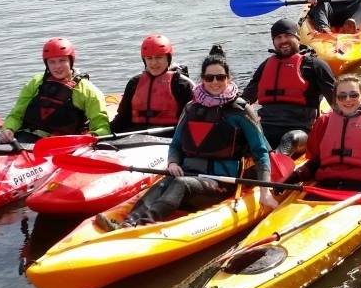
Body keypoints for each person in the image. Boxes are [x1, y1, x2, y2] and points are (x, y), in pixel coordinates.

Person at [97, 45, 273, 230]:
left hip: (220, 183)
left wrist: (265, 191)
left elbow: (261, 152)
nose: (215, 82)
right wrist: (173, 163)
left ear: (228, 79)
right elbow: (176, 144)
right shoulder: (191, 108)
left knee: (181, 183)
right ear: (202, 80)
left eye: (220, 77)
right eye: (209, 77)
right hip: (190, 173)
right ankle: (128, 221)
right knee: (163, 183)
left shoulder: (240, 111)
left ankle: (140, 225)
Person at [242, 18, 336, 156]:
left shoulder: (315, 65)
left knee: (290, 139)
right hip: (266, 127)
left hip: (300, 131)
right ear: (273, 42)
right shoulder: (266, 65)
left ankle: (274, 166)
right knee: (240, 135)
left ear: (298, 38)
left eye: (288, 36)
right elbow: (246, 98)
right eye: (278, 37)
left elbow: (337, 99)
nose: (283, 41)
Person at [0, 37, 111, 143]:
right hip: (27, 139)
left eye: (62, 60)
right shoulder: (36, 83)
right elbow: (16, 114)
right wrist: (8, 129)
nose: (57, 66)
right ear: (46, 64)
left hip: (64, 144)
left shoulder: (88, 90)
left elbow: (102, 128)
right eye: (52, 62)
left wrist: (91, 137)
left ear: (71, 61)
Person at [109, 34, 195, 134]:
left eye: (159, 57)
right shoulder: (134, 83)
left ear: (168, 58)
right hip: (134, 135)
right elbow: (122, 118)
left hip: (171, 136)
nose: (154, 63)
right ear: (144, 60)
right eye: (149, 58)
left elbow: (190, 120)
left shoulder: (182, 84)